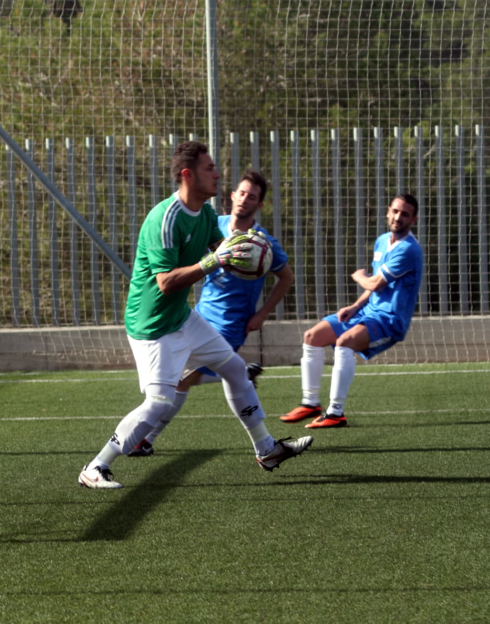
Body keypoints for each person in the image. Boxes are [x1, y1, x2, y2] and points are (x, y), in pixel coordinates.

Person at [78, 142, 312, 489]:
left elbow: (221, 251)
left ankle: (267, 449)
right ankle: (96, 467)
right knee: (159, 403)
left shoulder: (205, 214)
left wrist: (247, 253)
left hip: (182, 317)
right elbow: (166, 283)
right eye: (209, 168)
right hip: (152, 326)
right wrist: (215, 261)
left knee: (235, 370)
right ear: (188, 175)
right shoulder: (165, 218)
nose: (217, 174)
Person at [128, 170, 295, 457]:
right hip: (199, 314)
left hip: (232, 321)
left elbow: (287, 277)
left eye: (252, 197)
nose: (244, 200)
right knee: (189, 377)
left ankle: (144, 440)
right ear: (232, 195)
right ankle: (262, 441)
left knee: (186, 378)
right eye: (242, 193)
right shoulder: (213, 223)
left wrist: (263, 313)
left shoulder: (263, 243)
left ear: (259, 205)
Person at [281, 194, 423, 428]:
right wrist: (355, 306)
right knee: (312, 336)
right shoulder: (382, 241)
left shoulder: (409, 249)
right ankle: (310, 403)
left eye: (405, 214)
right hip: (367, 312)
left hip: (389, 320)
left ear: (413, 220)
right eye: (396, 211)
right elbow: (377, 285)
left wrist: (359, 276)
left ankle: (335, 413)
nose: (398, 217)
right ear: (388, 212)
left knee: (344, 343)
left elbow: (374, 283)